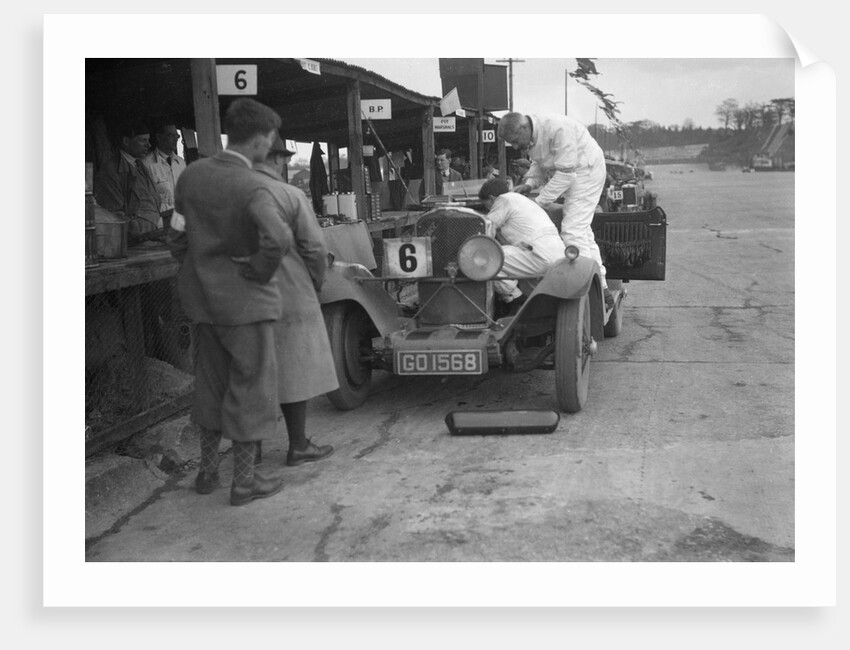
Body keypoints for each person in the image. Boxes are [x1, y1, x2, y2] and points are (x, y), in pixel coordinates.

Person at [168, 98, 293, 507]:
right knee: (250, 390)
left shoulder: (190, 176)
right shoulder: (253, 185)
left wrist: (198, 268)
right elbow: (278, 238)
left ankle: (207, 473)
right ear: (261, 140)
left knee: (209, 386)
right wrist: (258, 269)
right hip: (247, 306)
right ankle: (244, 482)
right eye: (271, 139)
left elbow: (177, 234)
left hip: (203, 303)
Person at [253, 134, 337, 467]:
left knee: (253, 371)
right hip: (288, 289)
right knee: (295, 370)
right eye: (284, 159)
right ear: (274, 159)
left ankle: (252, 452)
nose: (287, 164)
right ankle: (298, 445)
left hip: (245, 294)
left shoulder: (235, 192)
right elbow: (315, 248)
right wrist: (316, 281)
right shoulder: (289, 194)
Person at [498, 112, 613, 307]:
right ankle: (602, 288)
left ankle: (585, 293)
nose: (516, 147)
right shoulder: (533, 135)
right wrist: (529, 184)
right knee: (582, 229)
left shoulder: (557, 128)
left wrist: (537, 203)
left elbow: (566, 175)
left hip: (587, 170)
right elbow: (540, 163)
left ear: (524, 128)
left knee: (572, 230)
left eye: (516, 141)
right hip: (574, 172)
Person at [478, 178, 565, 315]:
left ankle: (516, 299)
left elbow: (488, 227)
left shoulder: (503, 200)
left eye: (487, 206)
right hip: (555, 253)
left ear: (492, 198)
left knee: (483, 259)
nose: (489, 209)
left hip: (538, 254)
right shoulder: (525, 202)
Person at [93, 119, 162, 236]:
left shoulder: (139, 165)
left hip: (151, 237)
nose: (149, 145)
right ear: (126, 141)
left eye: (148, 140)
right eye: (142, 140)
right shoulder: (111, 171)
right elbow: (113, 216)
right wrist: (139, 230)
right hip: (135, 242)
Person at [144, 122, 186, 229]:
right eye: (170, 135)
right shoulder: (147, 163)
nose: (175, 139)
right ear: (159, 137)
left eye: (177, 136)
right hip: (160, 225)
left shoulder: (181, 163)